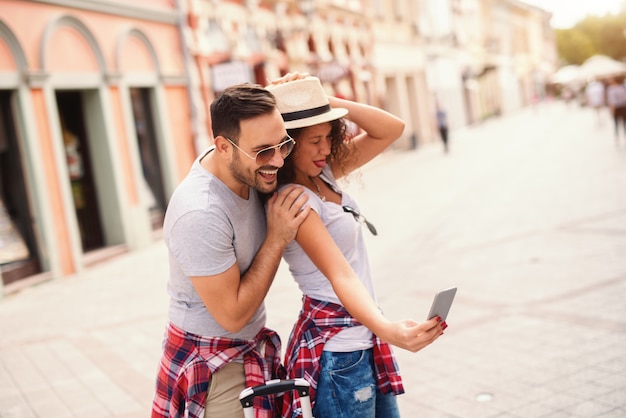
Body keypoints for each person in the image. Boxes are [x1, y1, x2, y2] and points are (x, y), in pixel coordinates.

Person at [265, 74, 447, 418]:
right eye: (315, 139)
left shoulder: (323, 174)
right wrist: (390, 330)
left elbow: (391, 128)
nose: (325, 148)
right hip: (339, 354)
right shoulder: (294, 199)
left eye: (329, 136)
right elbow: (341, 276)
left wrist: (318, 101)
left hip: (363, 338)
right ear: (287, 145)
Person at [151, 83, 311, 418]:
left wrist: (313, 94)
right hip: (213, 365)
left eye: (283, 144)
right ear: (223, 147)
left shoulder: (250, 166)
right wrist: (277, 238)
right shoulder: (200, 213)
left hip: (249, 350)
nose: (279, 160)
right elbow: (233, 316)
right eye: (264, 151)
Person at [606, 77, 626, 142]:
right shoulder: (622, 87)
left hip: (617, 108)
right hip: (623, 107)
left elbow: (612, 102)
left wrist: (612, 111)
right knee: (624, 123)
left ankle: (617, 137)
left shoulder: (611, 89)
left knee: (616, 123)